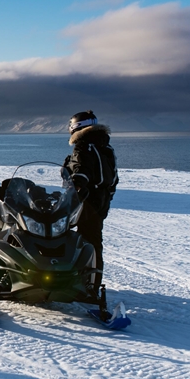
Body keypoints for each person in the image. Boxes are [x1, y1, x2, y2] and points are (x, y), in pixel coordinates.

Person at [63, 110, 118, 289]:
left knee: (65, 235)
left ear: (75, 127)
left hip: (86, 200)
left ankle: (83, 283)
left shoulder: (83, 146)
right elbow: (114, 177)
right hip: (102, 200)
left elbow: (81, 171)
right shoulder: (105, 146)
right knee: (93, 240)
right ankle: (91, 281)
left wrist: (76, 188)